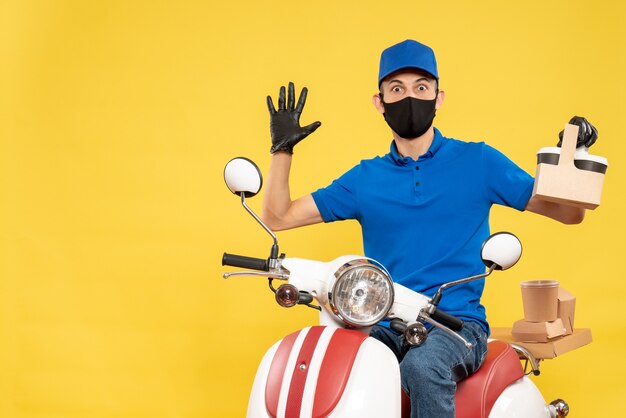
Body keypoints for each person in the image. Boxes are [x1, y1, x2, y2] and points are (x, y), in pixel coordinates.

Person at [260, 39, 595, 418]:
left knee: (423, 368)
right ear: (379, 102)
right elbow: (278, 217)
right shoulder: (365, 179)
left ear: (438, 97)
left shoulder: (478, 161)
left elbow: (570, 214)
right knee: (330, 359)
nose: (410, 98)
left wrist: (570, 161)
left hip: (457, 326)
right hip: (382, 322)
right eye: (397, 89)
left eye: (421, 88)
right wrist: (281, 150)